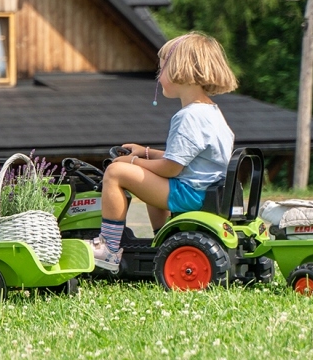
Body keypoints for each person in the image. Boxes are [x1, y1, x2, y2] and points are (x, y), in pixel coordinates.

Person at [91, 32, 238, 272]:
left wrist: (134, 161)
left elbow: (171, 167)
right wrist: (146, 152)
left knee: (116, 172)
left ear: (182, 69)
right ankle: (163, 238)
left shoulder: (188, 117)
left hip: (190, 194)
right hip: (206, 190)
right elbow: (188, 158)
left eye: (162, 70)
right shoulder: (211, 113)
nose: (159, 78)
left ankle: (108, 248)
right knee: (150, 180)